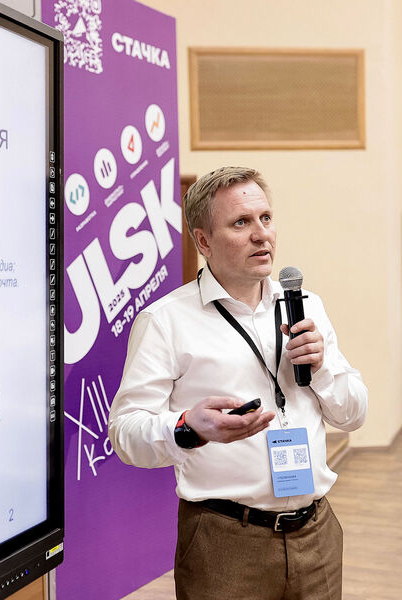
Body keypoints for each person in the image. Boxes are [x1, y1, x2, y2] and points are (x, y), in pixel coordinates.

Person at [108, 167, 368, 600]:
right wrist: (187, 428)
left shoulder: (306, 306)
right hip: (224, 541)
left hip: (316, 534)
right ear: (204, 241)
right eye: (241, 222)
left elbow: (354, 414)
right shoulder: (166, 321)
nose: (261, 234)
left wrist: (321, 368)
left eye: (265, 218)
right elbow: (125, 433)